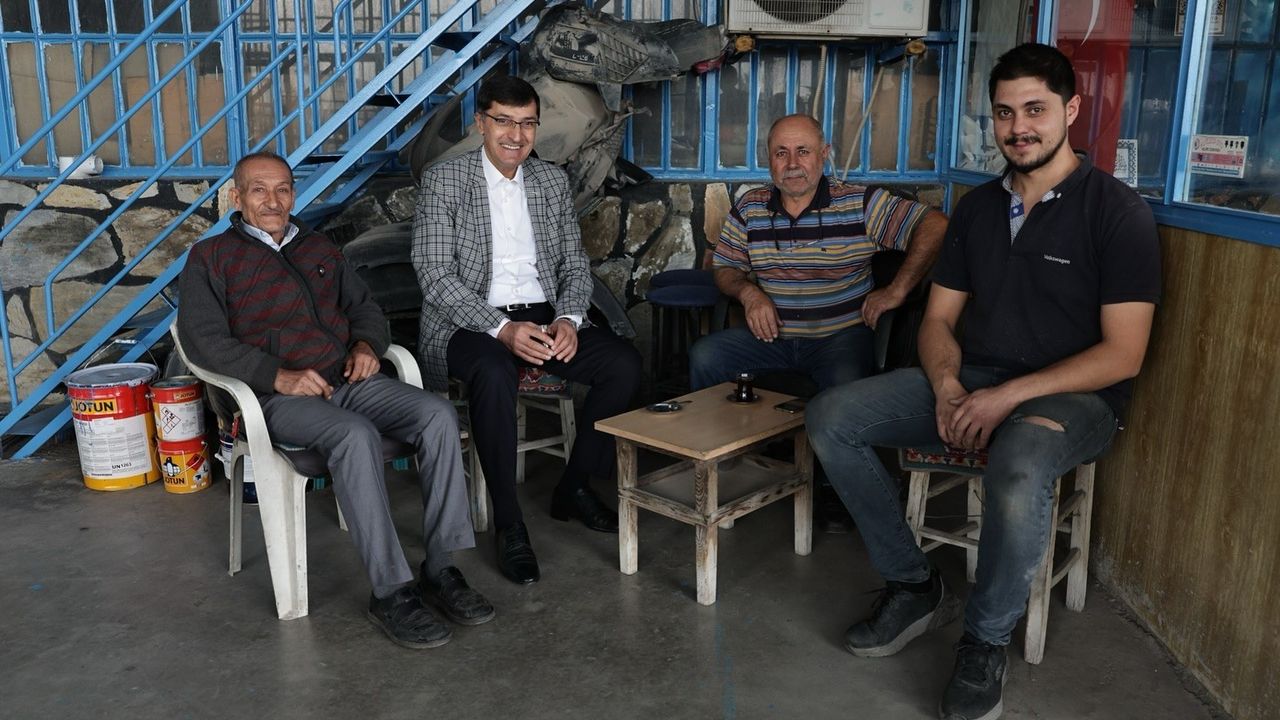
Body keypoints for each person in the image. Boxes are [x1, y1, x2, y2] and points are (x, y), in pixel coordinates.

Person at [806, 43, 1161, 720]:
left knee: (1019, 462)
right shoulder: (975, 210)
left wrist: (1007, 398)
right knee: (831, 416)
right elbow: (939, 320)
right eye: (1004, 112)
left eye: (1035, 109)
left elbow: (1124, 354)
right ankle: (915, 586)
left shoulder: (1117, 213)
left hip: (1076, 398)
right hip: (972, 376)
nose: (1018, 127)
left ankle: (984, 641)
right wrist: (948, 386)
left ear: (1071, 111)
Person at [178, 152, 492, 650]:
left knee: (436, 414)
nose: (273, 201)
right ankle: (391, 591)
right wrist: (277, 375)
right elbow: (204, 341)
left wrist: (367, 345)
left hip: (349, 380)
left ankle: (441, 567)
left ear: (293, 194)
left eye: (283, 189)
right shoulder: (211, 258)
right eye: (259, 190)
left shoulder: (318, 247)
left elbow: (365, 308)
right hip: (274, 397)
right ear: (237, 198)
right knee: (354, 435)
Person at [411, 75, 642, 585]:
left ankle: (574, 486)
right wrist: (501, 328)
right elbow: (435, 276)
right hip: (469, 321)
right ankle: (509, 522)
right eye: (504, 122)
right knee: (494, 373)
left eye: (527, 124)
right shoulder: (445, 180)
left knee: (623, 364)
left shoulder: (550, 181)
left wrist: (569, 319)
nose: (516, 135)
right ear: (481, 123)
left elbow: (574, 265)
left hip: (542, 315)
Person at [688, 113, 948, 395]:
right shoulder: (751, 207)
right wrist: (749, 294)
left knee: (843, 385)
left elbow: (936, 225)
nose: (792, 164)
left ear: (824, 154)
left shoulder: (858, 204)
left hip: (840, 339)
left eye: (803, 151)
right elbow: (726, 267)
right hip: (770, 338)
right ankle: (729, 427)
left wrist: (897, 290)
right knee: (706, 357)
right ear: (769, 159)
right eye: (781, 153)